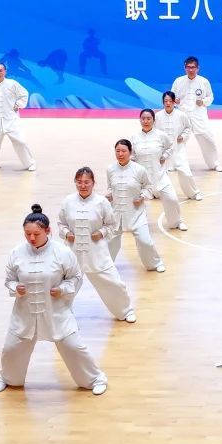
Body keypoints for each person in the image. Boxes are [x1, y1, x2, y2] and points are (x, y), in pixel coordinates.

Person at [0, 204, 108, 396]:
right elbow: (9, 279)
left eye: (36, 234)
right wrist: (15, 288)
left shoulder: (63, 253)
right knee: (11, 349)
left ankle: (95, 379)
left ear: (48, 231)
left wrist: (62, 289)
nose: (31, 238)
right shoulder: (16, 253)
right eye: (27, 234)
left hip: (56, 312)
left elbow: (76, 277)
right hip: (25, 314)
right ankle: (7, 377)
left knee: (74, 347)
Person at [57, 168, 136, 323]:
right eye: (79, 182)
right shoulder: (68, 201)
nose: (83, 185)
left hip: (97, 253)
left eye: (87, 182)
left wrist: (101, 232)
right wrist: (66, 234)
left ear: (93, 183)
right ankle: (60, 314)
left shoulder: (102, 202)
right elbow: (61, 224)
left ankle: (126, 311)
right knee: (65, 285)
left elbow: (111, 225)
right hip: (73, 253)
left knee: (114, 283)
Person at [106, 139, 165, 272]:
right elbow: (110, 187)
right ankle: (106, 266)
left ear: (130, 152)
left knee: (145, 241)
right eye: (117, 151)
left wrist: (142, 197)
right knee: (110, 242)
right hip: (116, 213)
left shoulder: (139, 169)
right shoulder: (110, 169)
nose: (120, 154)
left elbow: (148, 186)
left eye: (123, 151)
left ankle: (155, 263)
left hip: (136, 213)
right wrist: (109, 195)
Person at [132, 108, 187, 231]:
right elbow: (132, 154)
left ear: (154, 120)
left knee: (172, 198)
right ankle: (136, 224)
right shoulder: (134, 137)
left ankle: (176, 222)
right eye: (143, 119)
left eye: (149, 118)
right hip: (142, 179)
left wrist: (165, 156)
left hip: (160, 175)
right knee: (134, 202)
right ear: (140, 120)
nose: (146, 121)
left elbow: (171, 146)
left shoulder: (161, 135)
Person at [169, 56, 222, 172]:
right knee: (178, 139)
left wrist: (203, 101)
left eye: (193, 67)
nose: (190, 69)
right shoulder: (178, 81)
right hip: (182, 115)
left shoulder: (204, 81)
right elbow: (171, 96)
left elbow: (211, 97)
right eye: (188, 67)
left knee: (208, 138)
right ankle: (175, 164)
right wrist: (174, 100)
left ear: (198, 68)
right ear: (185, 68)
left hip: (199, 115)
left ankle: (214, 164)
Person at [0, 63, 36, 172]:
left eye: (0, 70)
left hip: (11, 119)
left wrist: (19, 104)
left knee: (20, 142)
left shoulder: (12, 83)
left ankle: (30, 164)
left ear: (5, 71)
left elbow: (24, 94)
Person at [156, 91, 202, 201]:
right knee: (159, 172)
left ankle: (194, 193)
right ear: (163, 102)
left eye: (170, 101)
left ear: (174, 102)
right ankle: (157, 193)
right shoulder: (157, 116)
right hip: (163, 150)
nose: (168, 103)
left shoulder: (181, 115)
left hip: (178, 149)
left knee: (185, 171)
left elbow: (188, 128)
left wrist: (183, 136)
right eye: (165, 101)